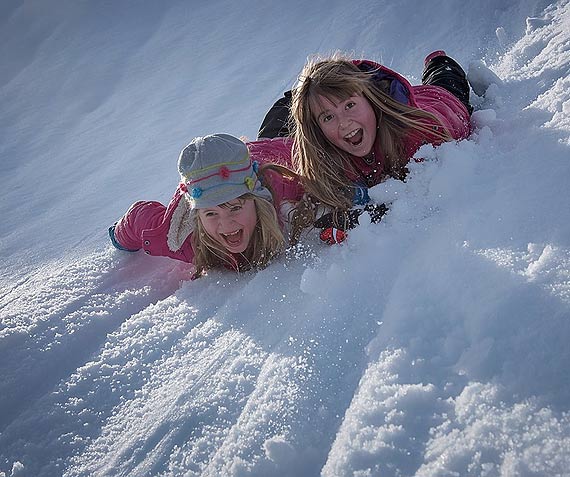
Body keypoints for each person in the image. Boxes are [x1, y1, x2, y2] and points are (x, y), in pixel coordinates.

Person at [259, 51, 472, 242]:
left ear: (370, 100)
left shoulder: (418, 134)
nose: (344, 123)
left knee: (446, 81)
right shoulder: (320, 151)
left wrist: (370, 213)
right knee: (274, 131)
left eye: (350, 105)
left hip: (439, 99)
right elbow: (270, 158)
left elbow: (419, 195)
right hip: (301, 118)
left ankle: (437, 60)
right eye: (328, 117)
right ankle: (302, 99)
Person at [109, 133, 304, 278]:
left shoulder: (281, 186)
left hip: (268, 153)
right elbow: (138, 218)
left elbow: (308, 153)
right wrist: (119, 237)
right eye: (211, 213)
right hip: (203, 182)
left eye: (235, 207)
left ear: (256, 201)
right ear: (197, 217)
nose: (226, 224)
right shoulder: (181, 238)